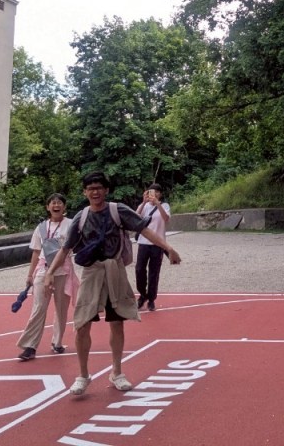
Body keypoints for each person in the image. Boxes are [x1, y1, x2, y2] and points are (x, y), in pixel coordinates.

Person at [43, 170, 181, 396]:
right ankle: (83, 375)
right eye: (90, 188)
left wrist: (168, 248)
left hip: (114, 270)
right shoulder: (81, 217)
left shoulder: (118, 210)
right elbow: (66, 248)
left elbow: (145, 230)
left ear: (106, 190)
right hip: (91, 273)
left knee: (117, 322)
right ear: (85, 192)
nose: (95, 192)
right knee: (82, 324)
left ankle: (117, 372)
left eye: (99, 188)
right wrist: (49, 272)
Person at [15, 193, 75, 361]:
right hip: (43, 270)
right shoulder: (41, 227)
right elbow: (36, 251)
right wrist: (30, 274)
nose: (56, 205)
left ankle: (57, 342)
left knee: (61, 309)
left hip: (63, 271)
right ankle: (30, 346)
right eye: (53, 203)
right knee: (38, 308)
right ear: (47, 207)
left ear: (64, 206)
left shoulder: (71, 224)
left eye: (59, 203)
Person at [134, 183, 171, 311]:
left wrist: (157, 204)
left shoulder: (165, 206)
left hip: (158, 244)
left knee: (154, 273)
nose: (153, 195)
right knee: (139, 270)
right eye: (150, 192)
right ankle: (142, 295)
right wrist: (144, 202)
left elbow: (166, 218)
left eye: (156, 192)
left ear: (160, 194)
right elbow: (135, 218)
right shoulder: (144, 206)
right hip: (143, 243)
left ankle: (151, 299)